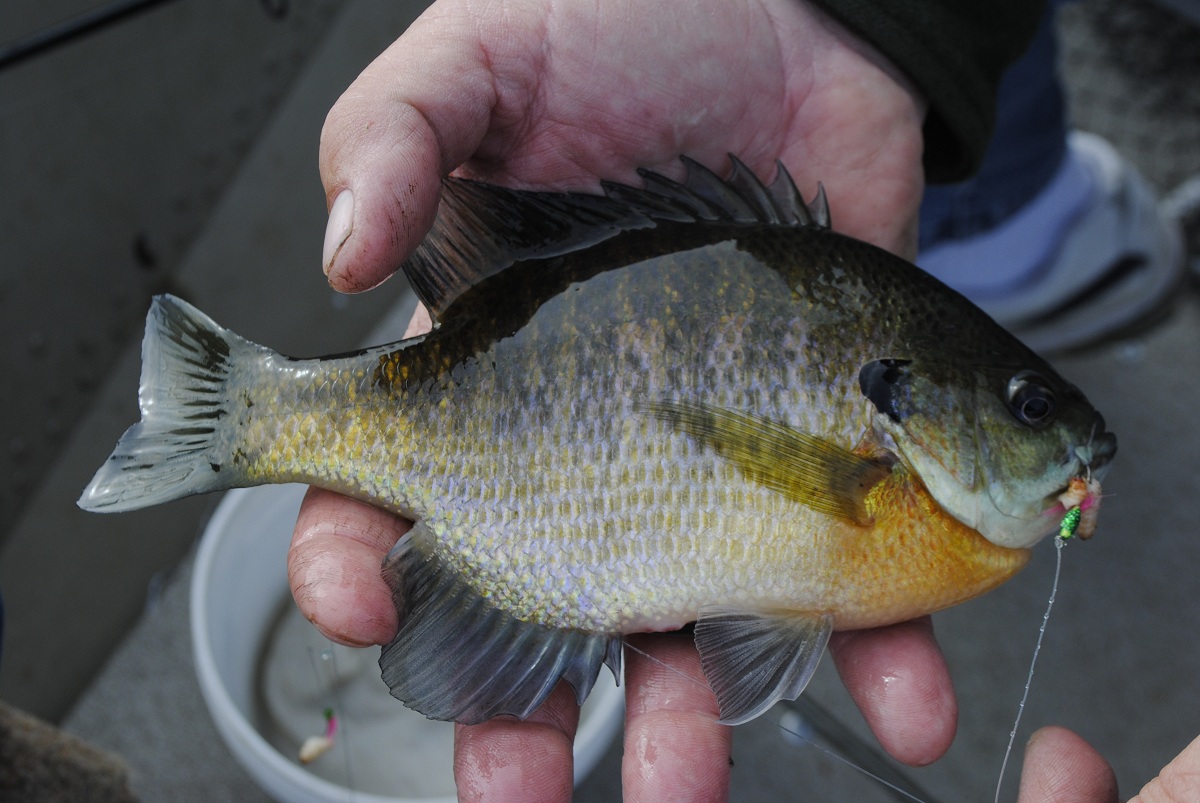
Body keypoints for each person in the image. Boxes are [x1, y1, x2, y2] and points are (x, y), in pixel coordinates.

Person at [289, 0, 1195, 800]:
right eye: (1028, 406)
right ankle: (1039, 232)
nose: (1056, 432)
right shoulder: (881, 475)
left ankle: (1032, 229)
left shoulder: (927, 490)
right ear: (910, 399)